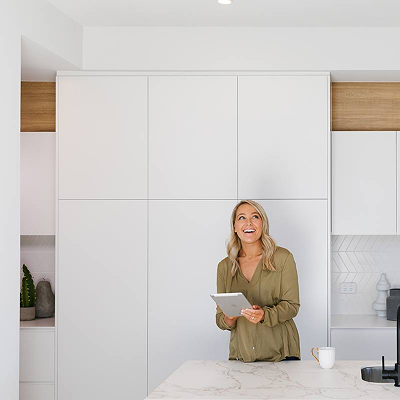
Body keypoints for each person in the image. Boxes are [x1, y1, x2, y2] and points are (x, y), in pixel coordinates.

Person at [215, 199, 300, 362]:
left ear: (263, 224)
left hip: (281, 353)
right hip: (242, 354)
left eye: (255, 217)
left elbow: (292, 306)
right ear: (234, 227)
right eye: (241, 218)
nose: (248, 222)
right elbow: (221, 320)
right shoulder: (224, 267)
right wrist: (229, 318)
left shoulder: (283, 258)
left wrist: (264, 315)